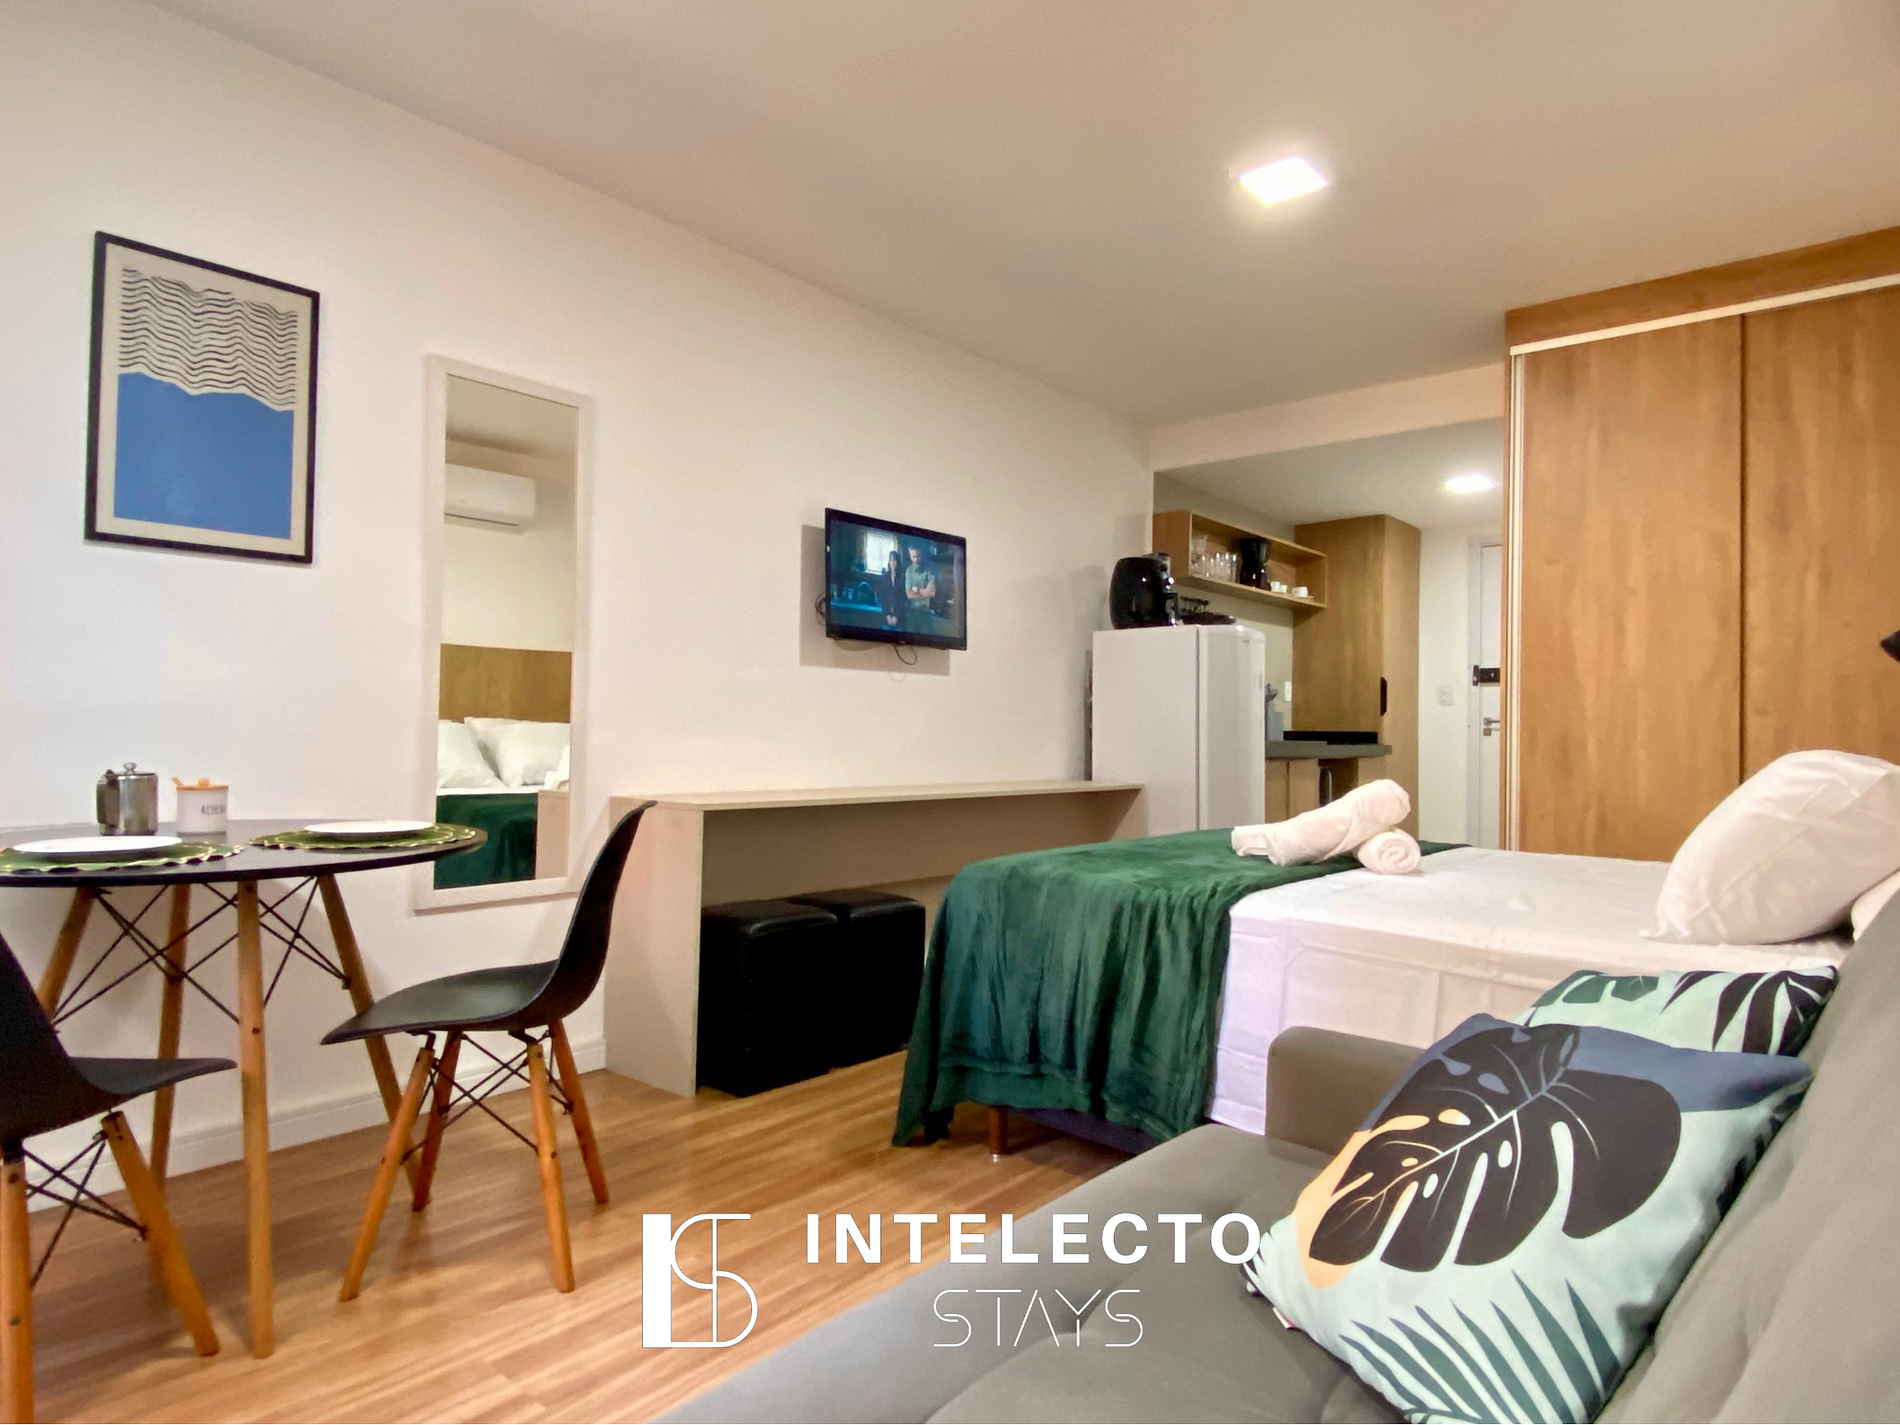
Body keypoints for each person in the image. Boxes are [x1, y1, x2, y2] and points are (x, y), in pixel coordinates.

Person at [903, 546, 937, 633]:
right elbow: (909, 595)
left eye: (918, 556)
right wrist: (925, 592)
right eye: (914, 557)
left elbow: (932, 593)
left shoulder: (928, 571)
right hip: (912, 613)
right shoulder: (908, 571)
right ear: (910, 557)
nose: (916, 559)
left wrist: (917, 590)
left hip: (925, 613)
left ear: (921, 556)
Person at [877, 550, 904, 631]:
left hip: (898, 619)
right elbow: (882, 598)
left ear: (898, 562)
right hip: (886, 618)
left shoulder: (902, 578)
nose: (893, 562)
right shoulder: (885, 577)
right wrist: (887, 615)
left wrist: (896, 616)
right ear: (889, 561)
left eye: (895, 560)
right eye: (891, 560)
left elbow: (903, 599)